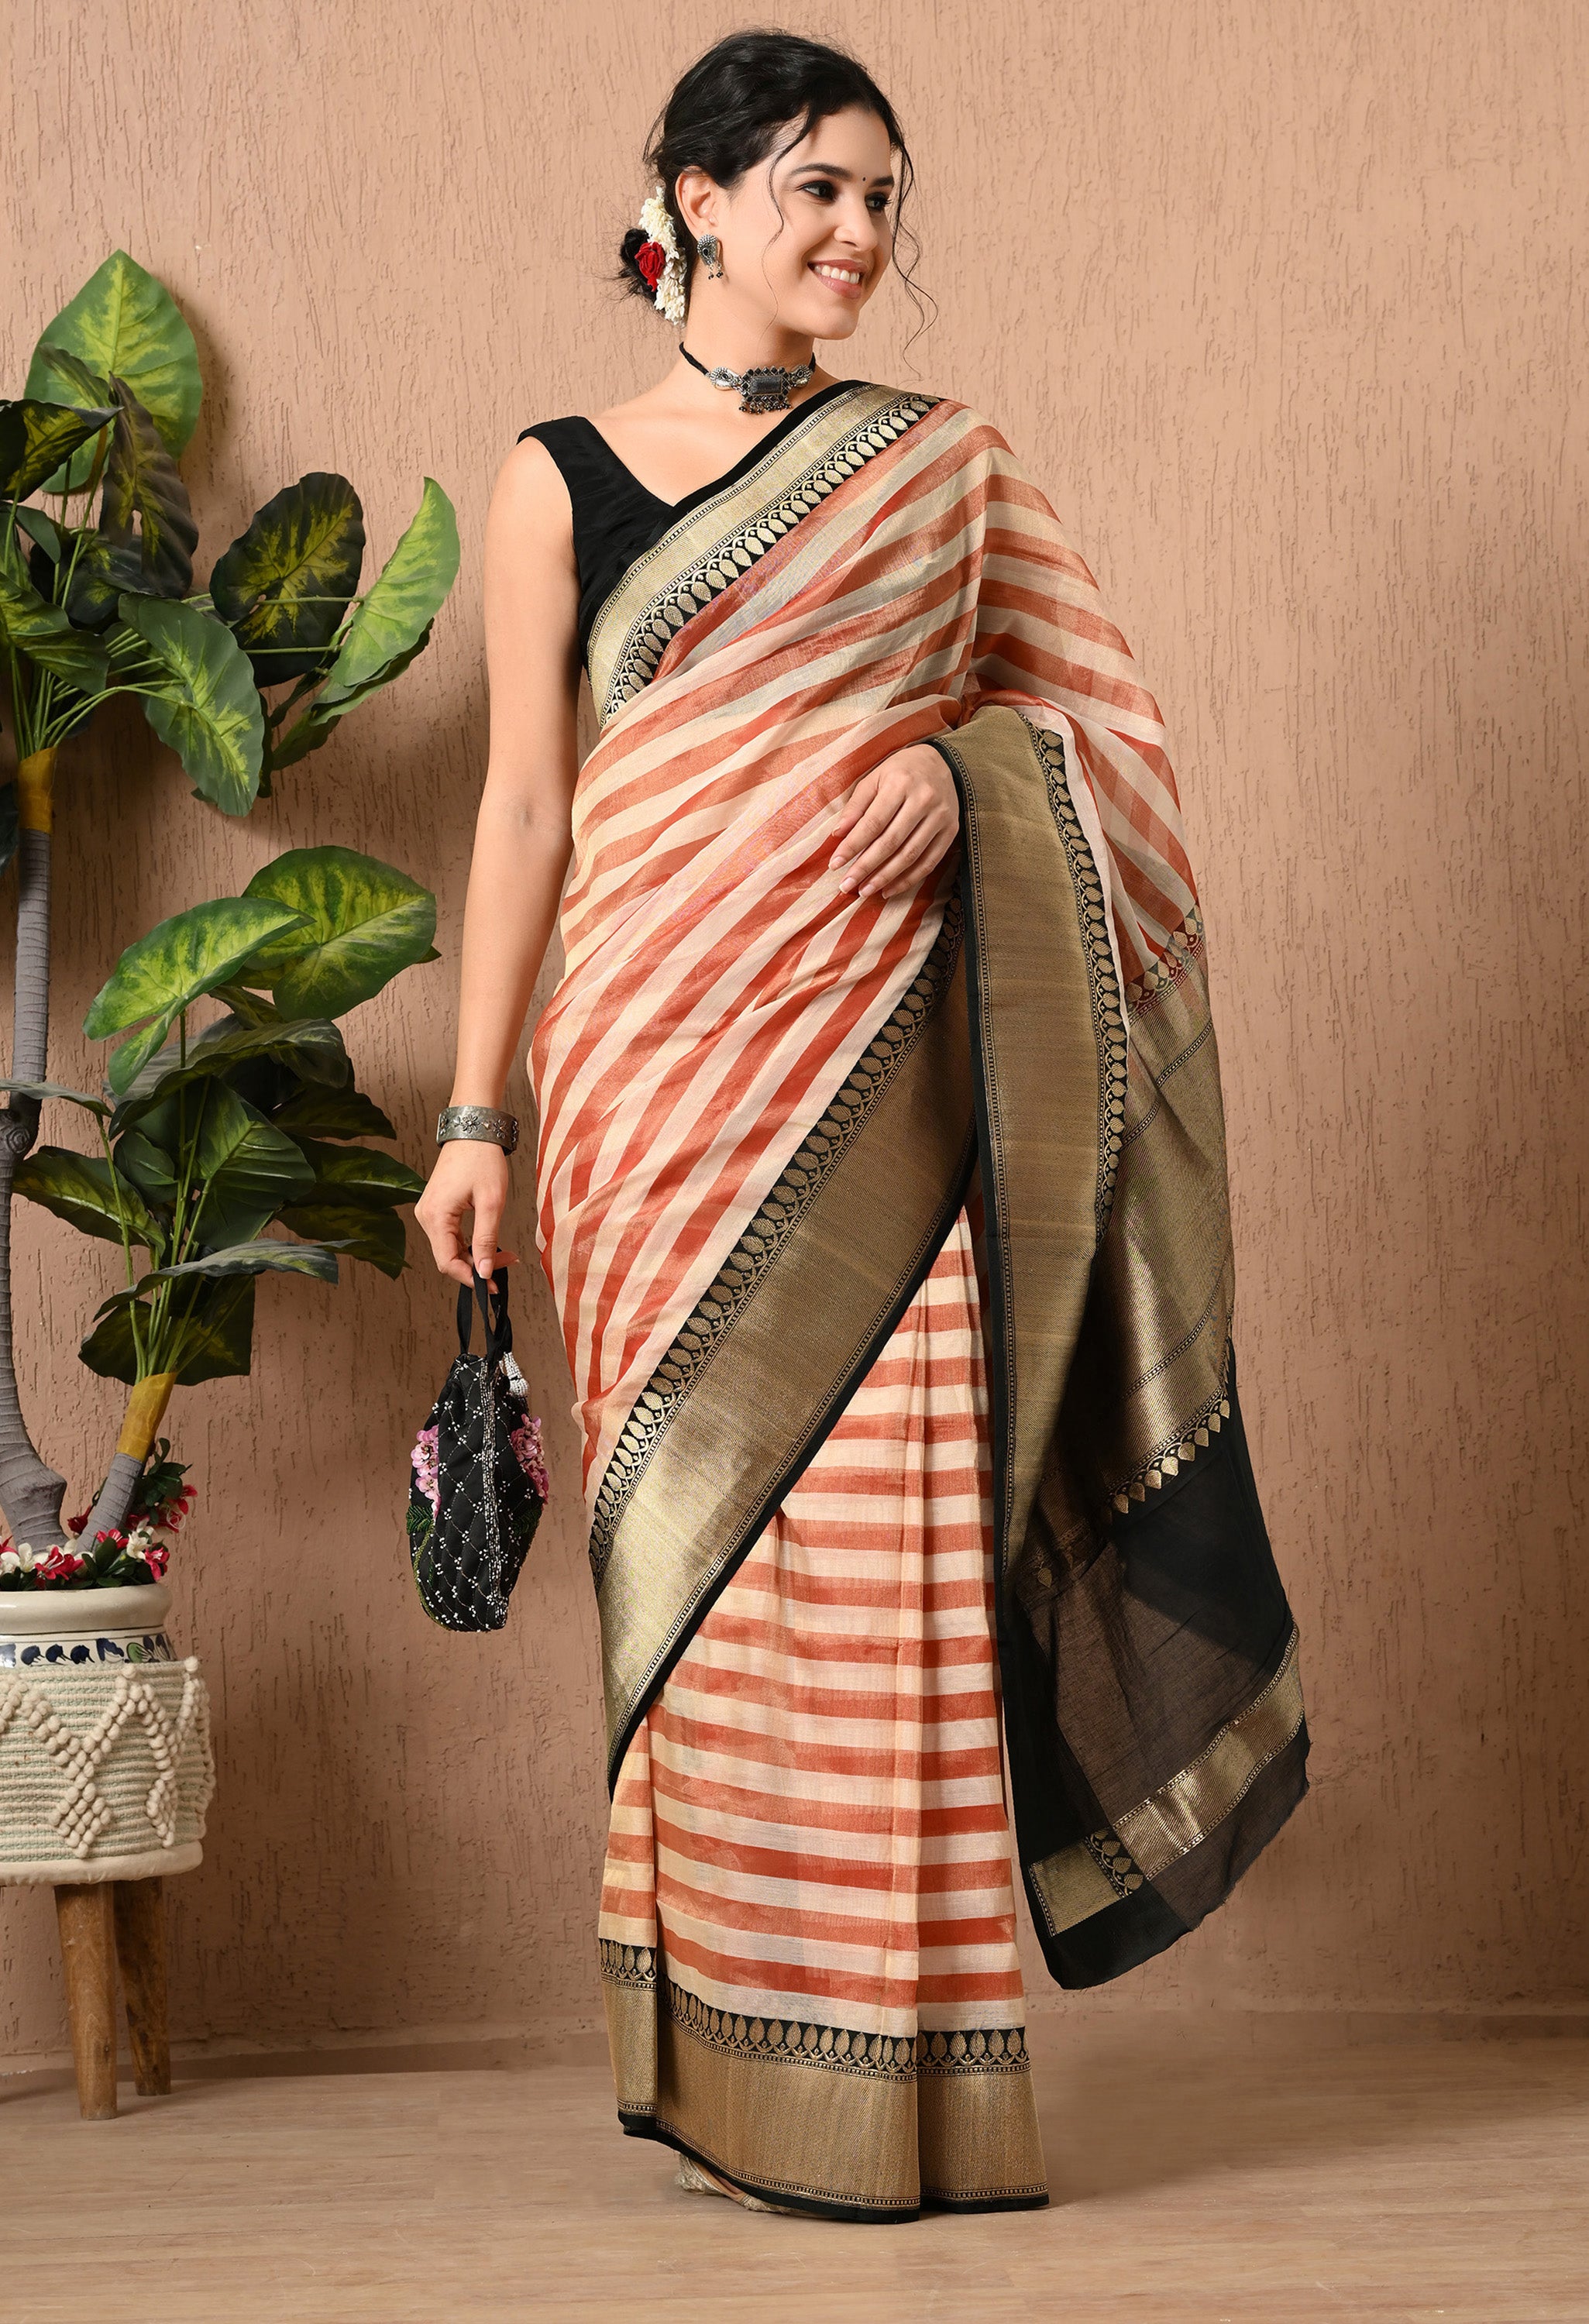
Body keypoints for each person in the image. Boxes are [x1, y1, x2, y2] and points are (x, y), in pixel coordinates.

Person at [416, 29, 1308, 2224]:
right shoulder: (557, 474)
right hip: (644, 1079)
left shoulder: (944, 465)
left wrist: (975, 776)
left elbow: (1095, 727)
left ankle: (892, 2081)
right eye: (814, 186)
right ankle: (727, 2066)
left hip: (888, 1069)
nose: (855, 233)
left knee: (895, 1560)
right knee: (703, 1579)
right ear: (693, 201)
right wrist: (475, 1112)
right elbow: (525, 802)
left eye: (882, 197)